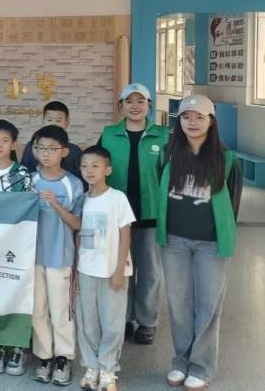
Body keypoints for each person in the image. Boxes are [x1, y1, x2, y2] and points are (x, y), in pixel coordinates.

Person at [157, 95, 242, 391]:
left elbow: (232, 205)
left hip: (211, 244)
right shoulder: (168, 154)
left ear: (211, 121)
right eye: (186, 117)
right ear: (178, 121)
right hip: (174, 241)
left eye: (199, 117)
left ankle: (201, 367)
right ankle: (181, 361)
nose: (192, 122)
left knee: (208, 305)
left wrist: (223, 238)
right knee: (178, 304)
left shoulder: (227, 160)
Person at [98, 83, 169, 345]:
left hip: (151, 215)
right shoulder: (108, 134)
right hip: (118, 217)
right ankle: (124, 318)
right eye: (129, 101)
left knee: (150, 271)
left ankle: (147, 321)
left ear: (149, 105)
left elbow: (171, 175)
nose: (135, 106)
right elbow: (98, 168)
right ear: (121, 106)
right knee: (122, 268)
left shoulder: (163, 136)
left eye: (141, 101)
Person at [75, 145, 135, 391]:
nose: (89, 170)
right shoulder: (81, 199)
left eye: (95, 166)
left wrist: (119, 270)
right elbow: (78, 236)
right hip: (86, 270)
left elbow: (125, 234)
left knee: (112, 323)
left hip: (112, 271)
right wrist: (75, 271)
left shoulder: (117, 198)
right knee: (88, 323)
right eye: (84, 166)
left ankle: (108, 369)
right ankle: (91, 367)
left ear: (107, 170)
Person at [30, 125, 84, 386]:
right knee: (37, 309)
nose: (46, 153)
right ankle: (44, 356)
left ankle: (63, 357)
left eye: (52, 149)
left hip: (60, 255)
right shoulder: (29, 180)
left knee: (61, 310)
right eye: (41, 148)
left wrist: (55, 204)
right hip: (32, 257)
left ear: (64, 151)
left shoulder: (73, 183)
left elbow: (77, 223)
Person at [0, 119, 33, 377]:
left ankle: (17, 347)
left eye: (4, 141)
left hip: (17, 246)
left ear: (14, 144)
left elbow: (30, 209)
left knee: (17, 294)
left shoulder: (22, 174)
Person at [21, 101, 83, 178]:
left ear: (67, 123)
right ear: (43, 121)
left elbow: (81, 179)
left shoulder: (75, 151)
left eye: (58, 121)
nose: (53, 124)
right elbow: (23, 175)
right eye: (49, 120)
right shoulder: (31, 146)